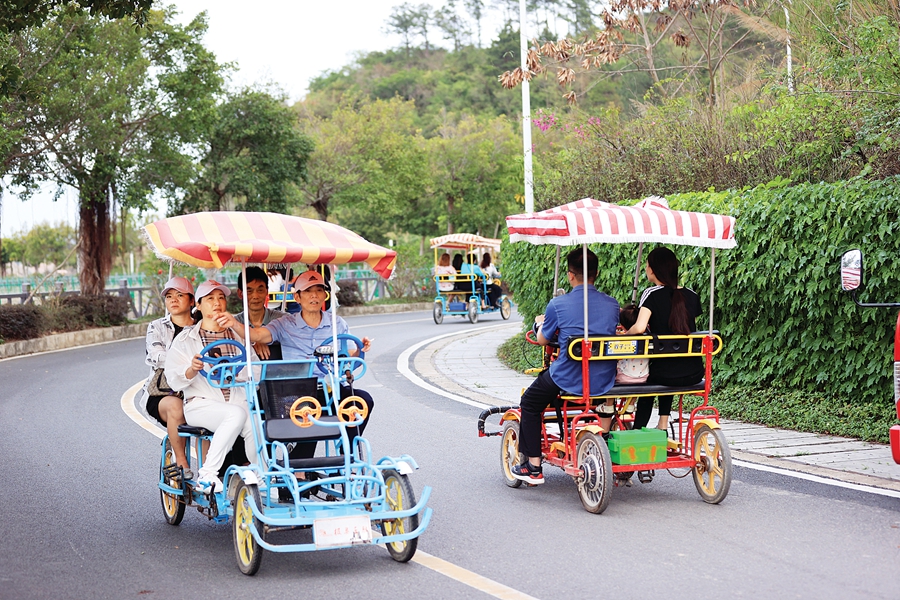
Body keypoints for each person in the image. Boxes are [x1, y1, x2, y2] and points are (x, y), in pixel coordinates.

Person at [217, 270, 375, 454]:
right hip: (298, 392)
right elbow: (257, 334)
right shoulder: (285, 323)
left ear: (325, 295)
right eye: (308, 291)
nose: (314, 295)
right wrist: (234, 323)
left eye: (319, 290)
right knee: (305, 432)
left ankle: (348, 454)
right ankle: (297, 460)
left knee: (362, 400)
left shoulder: (337, 323)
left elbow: (347, 357)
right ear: (297, 297)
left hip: (330, 389)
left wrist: (360, 349)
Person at [511, 248, 620, 485]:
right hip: (604, 378)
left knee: (529, 402)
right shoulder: (612, 305)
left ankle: (533, 466)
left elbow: (543, 340)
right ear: (596, 273)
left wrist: (539, 324)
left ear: (570, 275)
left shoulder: (557, 304)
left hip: (568, 377)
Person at [165, 280, 261, 493]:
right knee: (235, 414)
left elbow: (255, 371)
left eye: (221, 298)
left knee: (255, 421)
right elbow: (173, 378)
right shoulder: (185, 340)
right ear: (198, 305)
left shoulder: (237, 336)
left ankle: (261, 475)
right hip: (201, 403)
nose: (217, 303)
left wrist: (236, 373)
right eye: (210, 298)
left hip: (236, 399)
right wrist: (191, 369)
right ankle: (208, 473)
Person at [625, 246, 704, 432]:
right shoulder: (692, 295)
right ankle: (662, 425)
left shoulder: (651, 294)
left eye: (647, 265)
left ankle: (637, 431)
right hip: (694, 371)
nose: (645, 269)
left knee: (650, 380)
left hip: (665, 373)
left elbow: (640, 328)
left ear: (653, 269)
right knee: (669, 365)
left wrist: (624, 335)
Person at [144, 276, 197, 477]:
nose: (173, 299)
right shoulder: (157, 326)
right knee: (176, 406)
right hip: (164, 393)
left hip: (198, 389)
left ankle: (212, 472)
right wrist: (188, 364)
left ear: (192, 300)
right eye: (169, 296)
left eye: (180, 295)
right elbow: (156, 356)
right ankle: (181, 462)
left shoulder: (202, 326)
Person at [596, 304, 650, 431]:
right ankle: (631, 404)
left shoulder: (623, 341)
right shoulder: (646, 339)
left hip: (623, 377)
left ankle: (609, 404)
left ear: (624, 326)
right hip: (643, 378)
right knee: (637, 372)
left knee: (610, 371)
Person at [235, 266, 286, 360]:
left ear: (267, 291)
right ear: (240, 293)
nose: (255, 296)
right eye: (249, 291)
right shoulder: (235, 323)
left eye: (260, 290)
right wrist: (253, 341)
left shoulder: (282, 319)